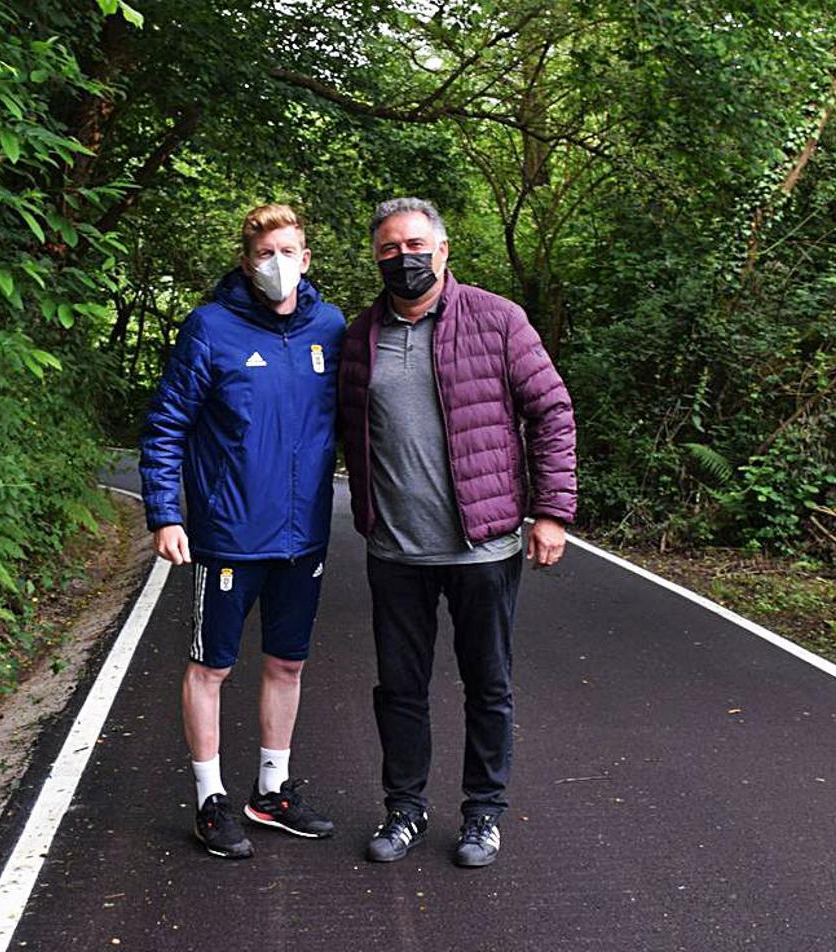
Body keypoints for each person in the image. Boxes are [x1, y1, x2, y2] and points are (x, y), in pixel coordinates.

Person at [338, 197, 578, 868]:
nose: (403, 257)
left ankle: (482, 814)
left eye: (415, 244)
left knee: (488, 684)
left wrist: (553, 511)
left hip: (484, 545)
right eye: (388, 248)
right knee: (399, 687)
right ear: (376, 257)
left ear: (443, 251)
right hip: (395, 550)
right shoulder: (359, 338)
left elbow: (552, 409)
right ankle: (404, 807)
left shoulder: (497, 320)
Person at [140, 204, 344, 859]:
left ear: (306, 258)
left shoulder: (332, 328)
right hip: (228, 536)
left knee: (287, 663)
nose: (278, 264)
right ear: (246, 262)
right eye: (265, 254)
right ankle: (209, 799)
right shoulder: (210, 328)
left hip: (304, 537)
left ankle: (271, 791)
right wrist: (166, 513)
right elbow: (166, 424)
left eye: (289, 251)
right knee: (211, 667)